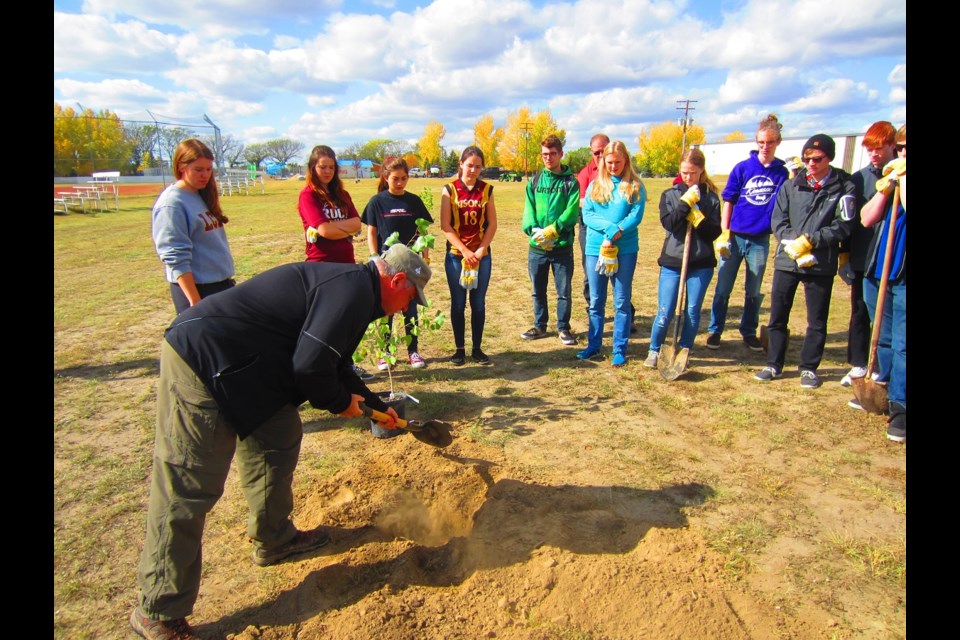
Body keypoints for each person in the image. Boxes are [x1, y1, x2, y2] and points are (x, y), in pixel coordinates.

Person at [130, 244, 430, 640]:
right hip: (204, 360)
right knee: (189, 486)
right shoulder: (352, 291)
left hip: (252, 371)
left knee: (279, 437)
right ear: (395, 281)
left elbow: (334, 364)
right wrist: (340, 404)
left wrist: (375, 405)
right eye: (410, 298)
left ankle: (275, 538)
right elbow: (309, 367)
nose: (406, 308)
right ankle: (159, 610)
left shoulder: (358, 292)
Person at [754, 134, 856, 388]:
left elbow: (844, 225)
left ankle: (809, 367)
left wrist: (812, 240)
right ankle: (774, 364)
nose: (810, 163)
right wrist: (793, 243)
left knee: (817, 319)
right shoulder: (791, 185)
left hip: (820, 262)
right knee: (778, 315)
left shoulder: (844, 186)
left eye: (817, 159)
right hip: (788, 260)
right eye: (807, 158)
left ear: (829, 158)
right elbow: (778, 220)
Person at [706, 115, 789, 352]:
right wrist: (724, 232)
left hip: (760, 240)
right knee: (723, 287)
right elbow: (728, 201)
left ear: (778, 141)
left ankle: (749, 331)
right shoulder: (743, 168)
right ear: (756, 141)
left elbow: (784, 205)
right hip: (734, 237)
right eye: (761, 142)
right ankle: (715, 330)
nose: (765, 146)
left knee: (753, 290)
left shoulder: (782, 173)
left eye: (770, 142)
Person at [297, 145, 372, 380]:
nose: (327, 171)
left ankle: (346, 365)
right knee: (326, 320)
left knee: (347, 318)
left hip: (347, 264)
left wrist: (334, 229)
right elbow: (324, 231)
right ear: (313, 168)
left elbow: (357, 224)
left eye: (331, 167)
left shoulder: (342, 195)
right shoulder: (308, 195)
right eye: (322, 167)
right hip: (321, 266)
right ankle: (326, 368)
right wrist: (341, 230)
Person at [644, 148, 722, 369]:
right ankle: (654, 349)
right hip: (673, 261)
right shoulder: (669, 195)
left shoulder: (711, 199)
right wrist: (685, 204)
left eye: (693, 173)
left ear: (701, 171)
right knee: (665, 311)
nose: (688, 177)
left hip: (701, 263)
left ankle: (685, 349)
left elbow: (714, 233)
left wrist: (697, 215)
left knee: (692, 311)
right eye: (684, 172)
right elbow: (670, 225)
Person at [361, 157, 434, 369]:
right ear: (386, 177)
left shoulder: (414, 202)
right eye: (395, 179)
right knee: (386, 310)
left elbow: (423, 231)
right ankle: (386, 352)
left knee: (410, 308)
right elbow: (372, 232)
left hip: (409, 265)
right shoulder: (377, 202)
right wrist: (375, 256)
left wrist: (425, 256)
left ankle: (414, 352)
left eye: (404, 178)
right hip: (386, 266)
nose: (400, 183)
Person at [578, 140, 646, 366]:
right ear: (602, 161)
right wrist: (609, 230)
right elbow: (587, 214)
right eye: (609, 162)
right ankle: (593, 345)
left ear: (625, 159)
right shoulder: (595, 185)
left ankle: (619, 348)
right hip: (596, 247)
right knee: (596, 299)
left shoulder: (635, 186)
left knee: (621, 300)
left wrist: (617, 232)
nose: (614, 166)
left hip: (624, 249)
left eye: (618, 161)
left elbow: (635, 217)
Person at [841, 121, 898, 392]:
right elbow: (849, 220)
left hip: (892, 259)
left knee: (888, 318)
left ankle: (884, 370)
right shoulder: (859, 179)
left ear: (892, 146)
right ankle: (859, 363)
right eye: (869, 149)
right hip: (864, 256)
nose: (874, 154)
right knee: (860, 311)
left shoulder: (900, 174)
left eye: (879, 148)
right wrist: (845, 256)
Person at [859, 124, 906, 441]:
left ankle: (901, 407)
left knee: (903, 343)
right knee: (885, 336)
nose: (903, 152)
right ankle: (884, 390)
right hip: (879, 269)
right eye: (901, 147)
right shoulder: (889, 180)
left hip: (903, 273)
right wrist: (887, 187)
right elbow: (866, 217)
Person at [152, 138, 235, 314]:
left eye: (208, 169)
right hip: (198, 291)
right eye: (198, 170)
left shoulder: (200, 195)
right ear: (182, 167)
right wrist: (194, 301)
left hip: (220, 286)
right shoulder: (172, 203)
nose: (205, 175)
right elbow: (175, 257)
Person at [440, 146, 499, 366]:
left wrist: (482, 249)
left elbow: (492, 223)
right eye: (469, 165)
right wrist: (464, 250)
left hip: (481, 256)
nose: (473, 169)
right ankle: (459, 350)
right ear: (461, 165)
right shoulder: (450, 189)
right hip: (457, 255)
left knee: (478, 303)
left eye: (478, 166)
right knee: (457, 303)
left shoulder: (487, 190)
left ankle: (477, 348)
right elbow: (445, 226)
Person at [520, 134, 581, 346]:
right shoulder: (535, 181)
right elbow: (528, 209)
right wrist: (533, 230)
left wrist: (553, 231)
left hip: (561, 247)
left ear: (560, 154)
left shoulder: (571, 182)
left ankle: (563, 328)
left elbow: (571, 212)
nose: (548, 158)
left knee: (563, 291)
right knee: (538, 289)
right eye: (545, 154)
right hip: (537, 248)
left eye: (553, 154)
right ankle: (539, 326)